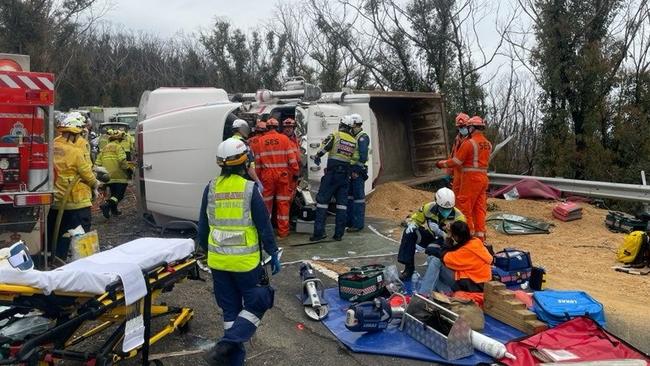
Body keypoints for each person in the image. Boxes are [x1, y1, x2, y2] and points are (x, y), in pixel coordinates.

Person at [198, 138, 281, 366]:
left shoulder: (211, 188)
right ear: (246, 162)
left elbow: (203, 228)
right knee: (260, 301)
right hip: (245, 264)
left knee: (230, 311)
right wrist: (273, 252)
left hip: (218, 263)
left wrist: (209, 252)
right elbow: (264, 225)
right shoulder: (249, 189)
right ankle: (227, 344)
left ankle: (232, 361)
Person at [47, 114, 99, 261]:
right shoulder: (75, 152)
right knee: (81, 234)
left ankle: (58, 260)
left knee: (59, 235)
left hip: (55, 202)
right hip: (77, 202)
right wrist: (96, 184)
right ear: (74, 134)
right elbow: (87, 173)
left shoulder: (52, 145)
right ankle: (84, 261)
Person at [436, 116, 492, 241]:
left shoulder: (468, 143)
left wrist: (441, 164)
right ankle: (480, 236)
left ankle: (468, 235)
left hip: (471, 179)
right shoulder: (488, 144)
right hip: (483, 178)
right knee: (479, 208)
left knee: (465, 206)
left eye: (467, 127)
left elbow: (456, 161)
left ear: (472, 128)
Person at [397, 187, 465, 280]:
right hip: (431, 236)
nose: (446, 211)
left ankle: (443, 270)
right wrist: (412, 222)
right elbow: (416, 218)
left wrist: (446, 233)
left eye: (449, 209)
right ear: (437, 203)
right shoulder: (428, 208)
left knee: (431, 249)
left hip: (447, 242)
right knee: (410, 232)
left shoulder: (459, 218)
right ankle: (408, 268)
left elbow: (461, 241)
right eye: (443, 208)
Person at [309, 116, 357, 242]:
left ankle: (319, 233)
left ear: (341, 125)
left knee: (322, 203)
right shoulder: (353, 140)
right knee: (341, 206)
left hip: (332, 175)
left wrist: (317, 155)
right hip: (345, 176)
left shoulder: (335, 135)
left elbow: (324, 148)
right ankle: (339, 234)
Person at [419, 220, 493, 294]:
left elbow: (444, 257)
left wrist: (448, 238)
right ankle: (445, 292)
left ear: (456, 237)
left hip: (471, 284)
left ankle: (423, 295)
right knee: (431, 262)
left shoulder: (465, 250)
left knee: (435, 262)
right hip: (475, 281)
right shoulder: (475, 241)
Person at [257, 118, 299, 239]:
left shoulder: (261, 141)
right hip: (283, 176)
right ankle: (283, 232)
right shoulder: (284, 139)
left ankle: (266, 232)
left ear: (267, 128)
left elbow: (258, 163)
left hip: (267, 177)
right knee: (283, 204)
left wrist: (258, 179)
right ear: (277, 127)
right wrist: (296, 173)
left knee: (266, 205)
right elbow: (292, 160)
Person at [96, 130, 131, 218]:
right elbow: (122, 160)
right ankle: (107, 205)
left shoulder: (104, 148)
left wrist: (100, 177)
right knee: (119, 195)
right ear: (119, 139)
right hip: (119, 175)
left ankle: (114, 211)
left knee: (113, 194)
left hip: (107, 176)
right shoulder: (118, 147)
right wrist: (128, 169)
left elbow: (98, 163)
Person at [346, 113, 370, 232]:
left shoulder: (362, 137)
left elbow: (363, 157)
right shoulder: (354, 136)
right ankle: (350, 222)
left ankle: (357, 224)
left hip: (358, 171)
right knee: (350, 197)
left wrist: (356, 171)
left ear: (355, 124)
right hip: (352, 170)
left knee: (358, 198)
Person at [231, 119, 263, 190]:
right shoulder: (243, 144)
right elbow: (249, 167)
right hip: (244, 180)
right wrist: (257, 181)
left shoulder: (228, 142)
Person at [447, 113, 470, 195]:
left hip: (467, 173)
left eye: (464, 126)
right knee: (455, 195)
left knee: (465, 196)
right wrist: (448, 172)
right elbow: (453, 155)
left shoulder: (472, 139)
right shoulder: (457, 138)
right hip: (457, 172)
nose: (462, 128)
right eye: (460, 127)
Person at [281, 117, 301, 199]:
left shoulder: (296, 139)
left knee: (292, 194)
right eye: (286, 127)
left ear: (294, 128)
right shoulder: (281, 139)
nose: (288, 129)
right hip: (285, 172)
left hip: (294, 171)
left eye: (290, 127)